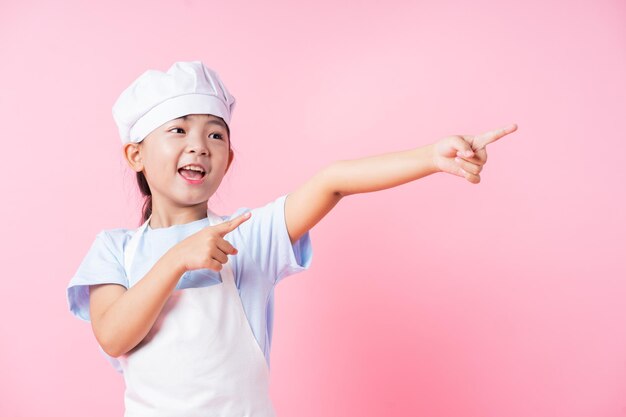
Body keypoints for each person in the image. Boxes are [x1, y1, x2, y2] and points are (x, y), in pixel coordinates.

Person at [66, 60, 518, 417]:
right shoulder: (115, 249)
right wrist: (177, 260)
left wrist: (431, 157)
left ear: (228, 156)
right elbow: (113, 336)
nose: (200, 145)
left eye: (215, 134)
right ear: (136, 154)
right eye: (179, 129)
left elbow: (333, 181)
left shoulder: (249, 234)